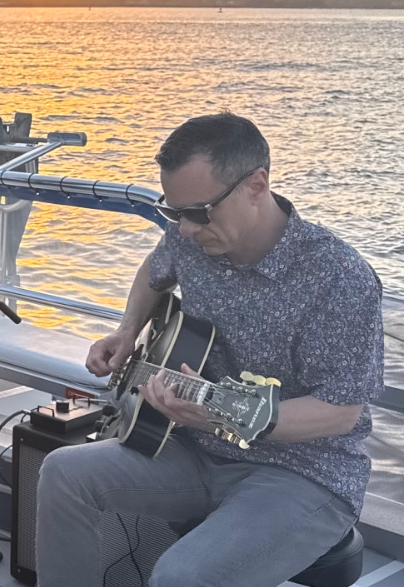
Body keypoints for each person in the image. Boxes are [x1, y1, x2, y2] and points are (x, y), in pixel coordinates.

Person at [35, 113, 384, 587]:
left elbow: (340, 413)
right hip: (196, 451)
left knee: (180, 577)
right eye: (172, 213)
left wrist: (223, 416)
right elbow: (155, 269)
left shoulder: (337, 278)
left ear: (256, 184)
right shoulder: (194, 240)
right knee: (63, 473)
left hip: (305, 474)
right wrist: (126, 331)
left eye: (197, 213)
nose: (184, 230)